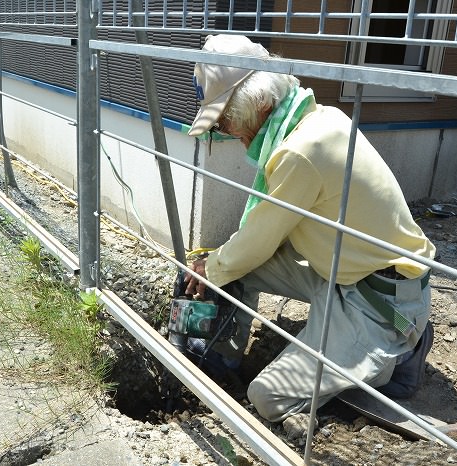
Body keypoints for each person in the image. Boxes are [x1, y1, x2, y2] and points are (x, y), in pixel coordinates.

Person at [183, 34, 436, 422]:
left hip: (378, 300)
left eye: (227, 121)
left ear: (261, 104)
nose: (230, 132)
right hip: (341, 271)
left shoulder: (299, 152)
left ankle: (399, 349)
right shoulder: (320, 118)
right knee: (229, 266)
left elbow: (256, 242)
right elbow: (257, 242)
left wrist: (212, 268)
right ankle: (222, 362)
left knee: (266, 398)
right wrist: (217, 265)